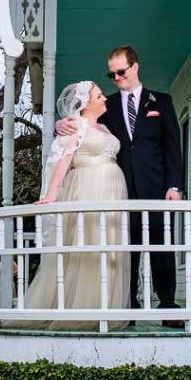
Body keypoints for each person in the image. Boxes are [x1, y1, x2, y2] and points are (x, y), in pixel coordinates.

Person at [55, 46, 184, 329]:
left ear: (135, 67)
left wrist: (175, 186)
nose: (116, 77)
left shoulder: (161, 102)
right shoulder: (106, 105)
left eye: (121, 72)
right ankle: (128, 306)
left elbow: (173, 147)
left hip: (157, 188)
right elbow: (82, 125)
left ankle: (169, 306)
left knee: (163, 247)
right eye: (111, 74)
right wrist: (59, 124)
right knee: (125, 248)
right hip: (120, 189)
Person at [22, 80, 129, 331]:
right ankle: (83, 308)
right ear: (86, 103)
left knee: (109, 245)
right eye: (99, 96)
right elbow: (64, 159)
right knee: (88, 243)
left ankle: (106, 308)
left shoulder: (103, 126)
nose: (105, 99)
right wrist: (51, 193)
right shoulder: (77, 126)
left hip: (113, 191)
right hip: (88, 187)